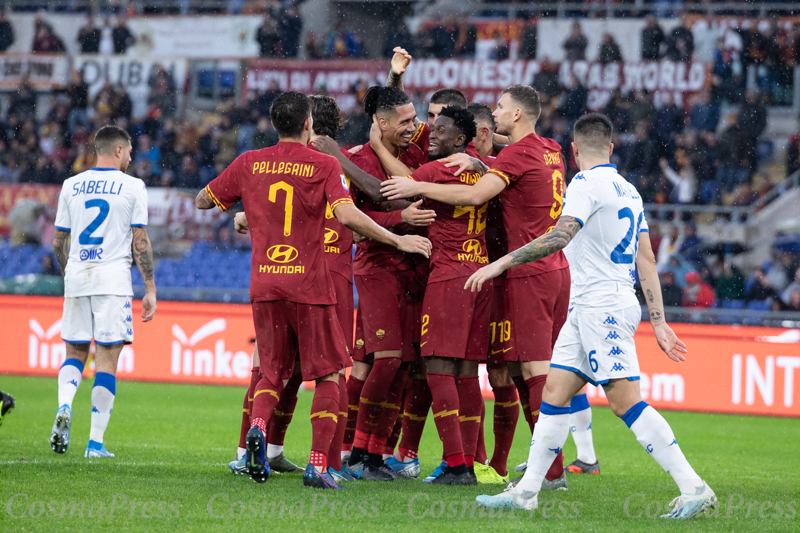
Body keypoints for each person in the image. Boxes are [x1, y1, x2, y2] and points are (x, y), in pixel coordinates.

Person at [470, 113, 715, 519]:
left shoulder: (583, 184)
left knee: (625, 403)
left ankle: (693, 487)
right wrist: (658, 321)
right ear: (612, 149)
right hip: (592, 305)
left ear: (574, 150)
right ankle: (527, 492)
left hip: (601, 306)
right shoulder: (631, 191)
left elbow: (561, 235)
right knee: (554, 393)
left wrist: (502, 263)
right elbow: (646, 258)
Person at [195, 91, 431, 489]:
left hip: (265, 281)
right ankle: (322, 463)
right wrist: (398, 237)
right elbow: (349, 213)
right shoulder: (326, 164)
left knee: (270, 370)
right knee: (329, 374)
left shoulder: (249, 162)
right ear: (309, 125)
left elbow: (203, 200)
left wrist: (250, 213)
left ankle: (256, 439)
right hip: (316, 280)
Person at [382, 84, 571, 490]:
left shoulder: (465, 165)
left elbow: (470, 196)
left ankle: (536, 472)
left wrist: (416, 184)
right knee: (494, 374)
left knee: (521, 372)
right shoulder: (551, 148)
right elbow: (505, 152)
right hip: (546, 268)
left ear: (517, 114)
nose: (497, 113)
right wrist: (481, 153)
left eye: (502, 108)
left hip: (515, 270)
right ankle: (488, 462)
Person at [389, 106, 488, 485]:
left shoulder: (434, 172)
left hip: (448, 277)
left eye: (441, 130)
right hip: (479, 273)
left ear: (460, 139)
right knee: (466, 372)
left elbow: (394, 190)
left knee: (436, 368)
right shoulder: (487, 167)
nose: (432, 135)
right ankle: (467, 463)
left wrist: (350, 156)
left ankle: (457, 464)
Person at [50, 125, 157, 459]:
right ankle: (94, 443)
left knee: (75, 353)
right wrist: (150, 288)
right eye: (128, 153)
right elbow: (140, 239)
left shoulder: (71, 185)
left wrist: (72, 273)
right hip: (112, 281)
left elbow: (58, 241)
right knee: (106, 361)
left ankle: (65, 405)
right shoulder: (133, 186)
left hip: (78, 276)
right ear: (120, 151)